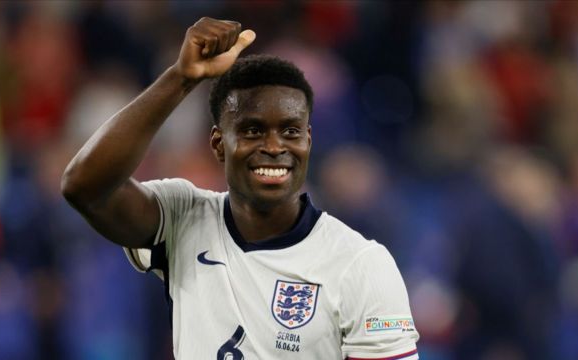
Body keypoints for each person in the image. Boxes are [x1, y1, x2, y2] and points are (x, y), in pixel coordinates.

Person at [62, 17, 419, 359]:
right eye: (252, 131)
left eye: (291, 132)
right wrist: (180, 78)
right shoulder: (183, 218)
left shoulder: (360, 265)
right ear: (218, 144)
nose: (275, 146)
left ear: (308, 142)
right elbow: (85, 187)